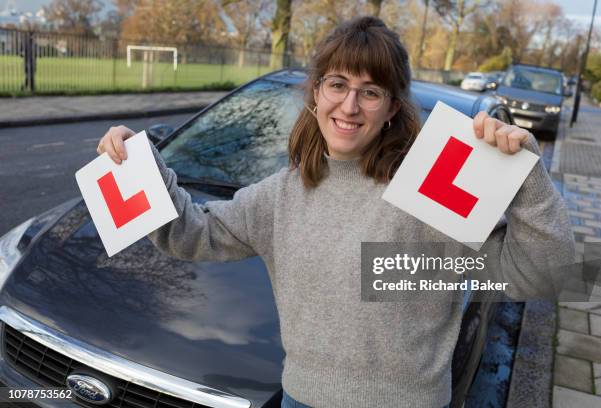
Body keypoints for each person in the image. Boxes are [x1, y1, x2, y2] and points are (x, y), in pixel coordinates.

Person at [96, 16, 574, 408]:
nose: (349, 105)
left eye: (370, 91)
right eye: (337, 84)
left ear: (391, 107)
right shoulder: (281, 194)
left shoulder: (432, 189)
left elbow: (538, 276)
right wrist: (138, 166)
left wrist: (528, 182)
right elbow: (189, 234)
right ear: (316, 94)